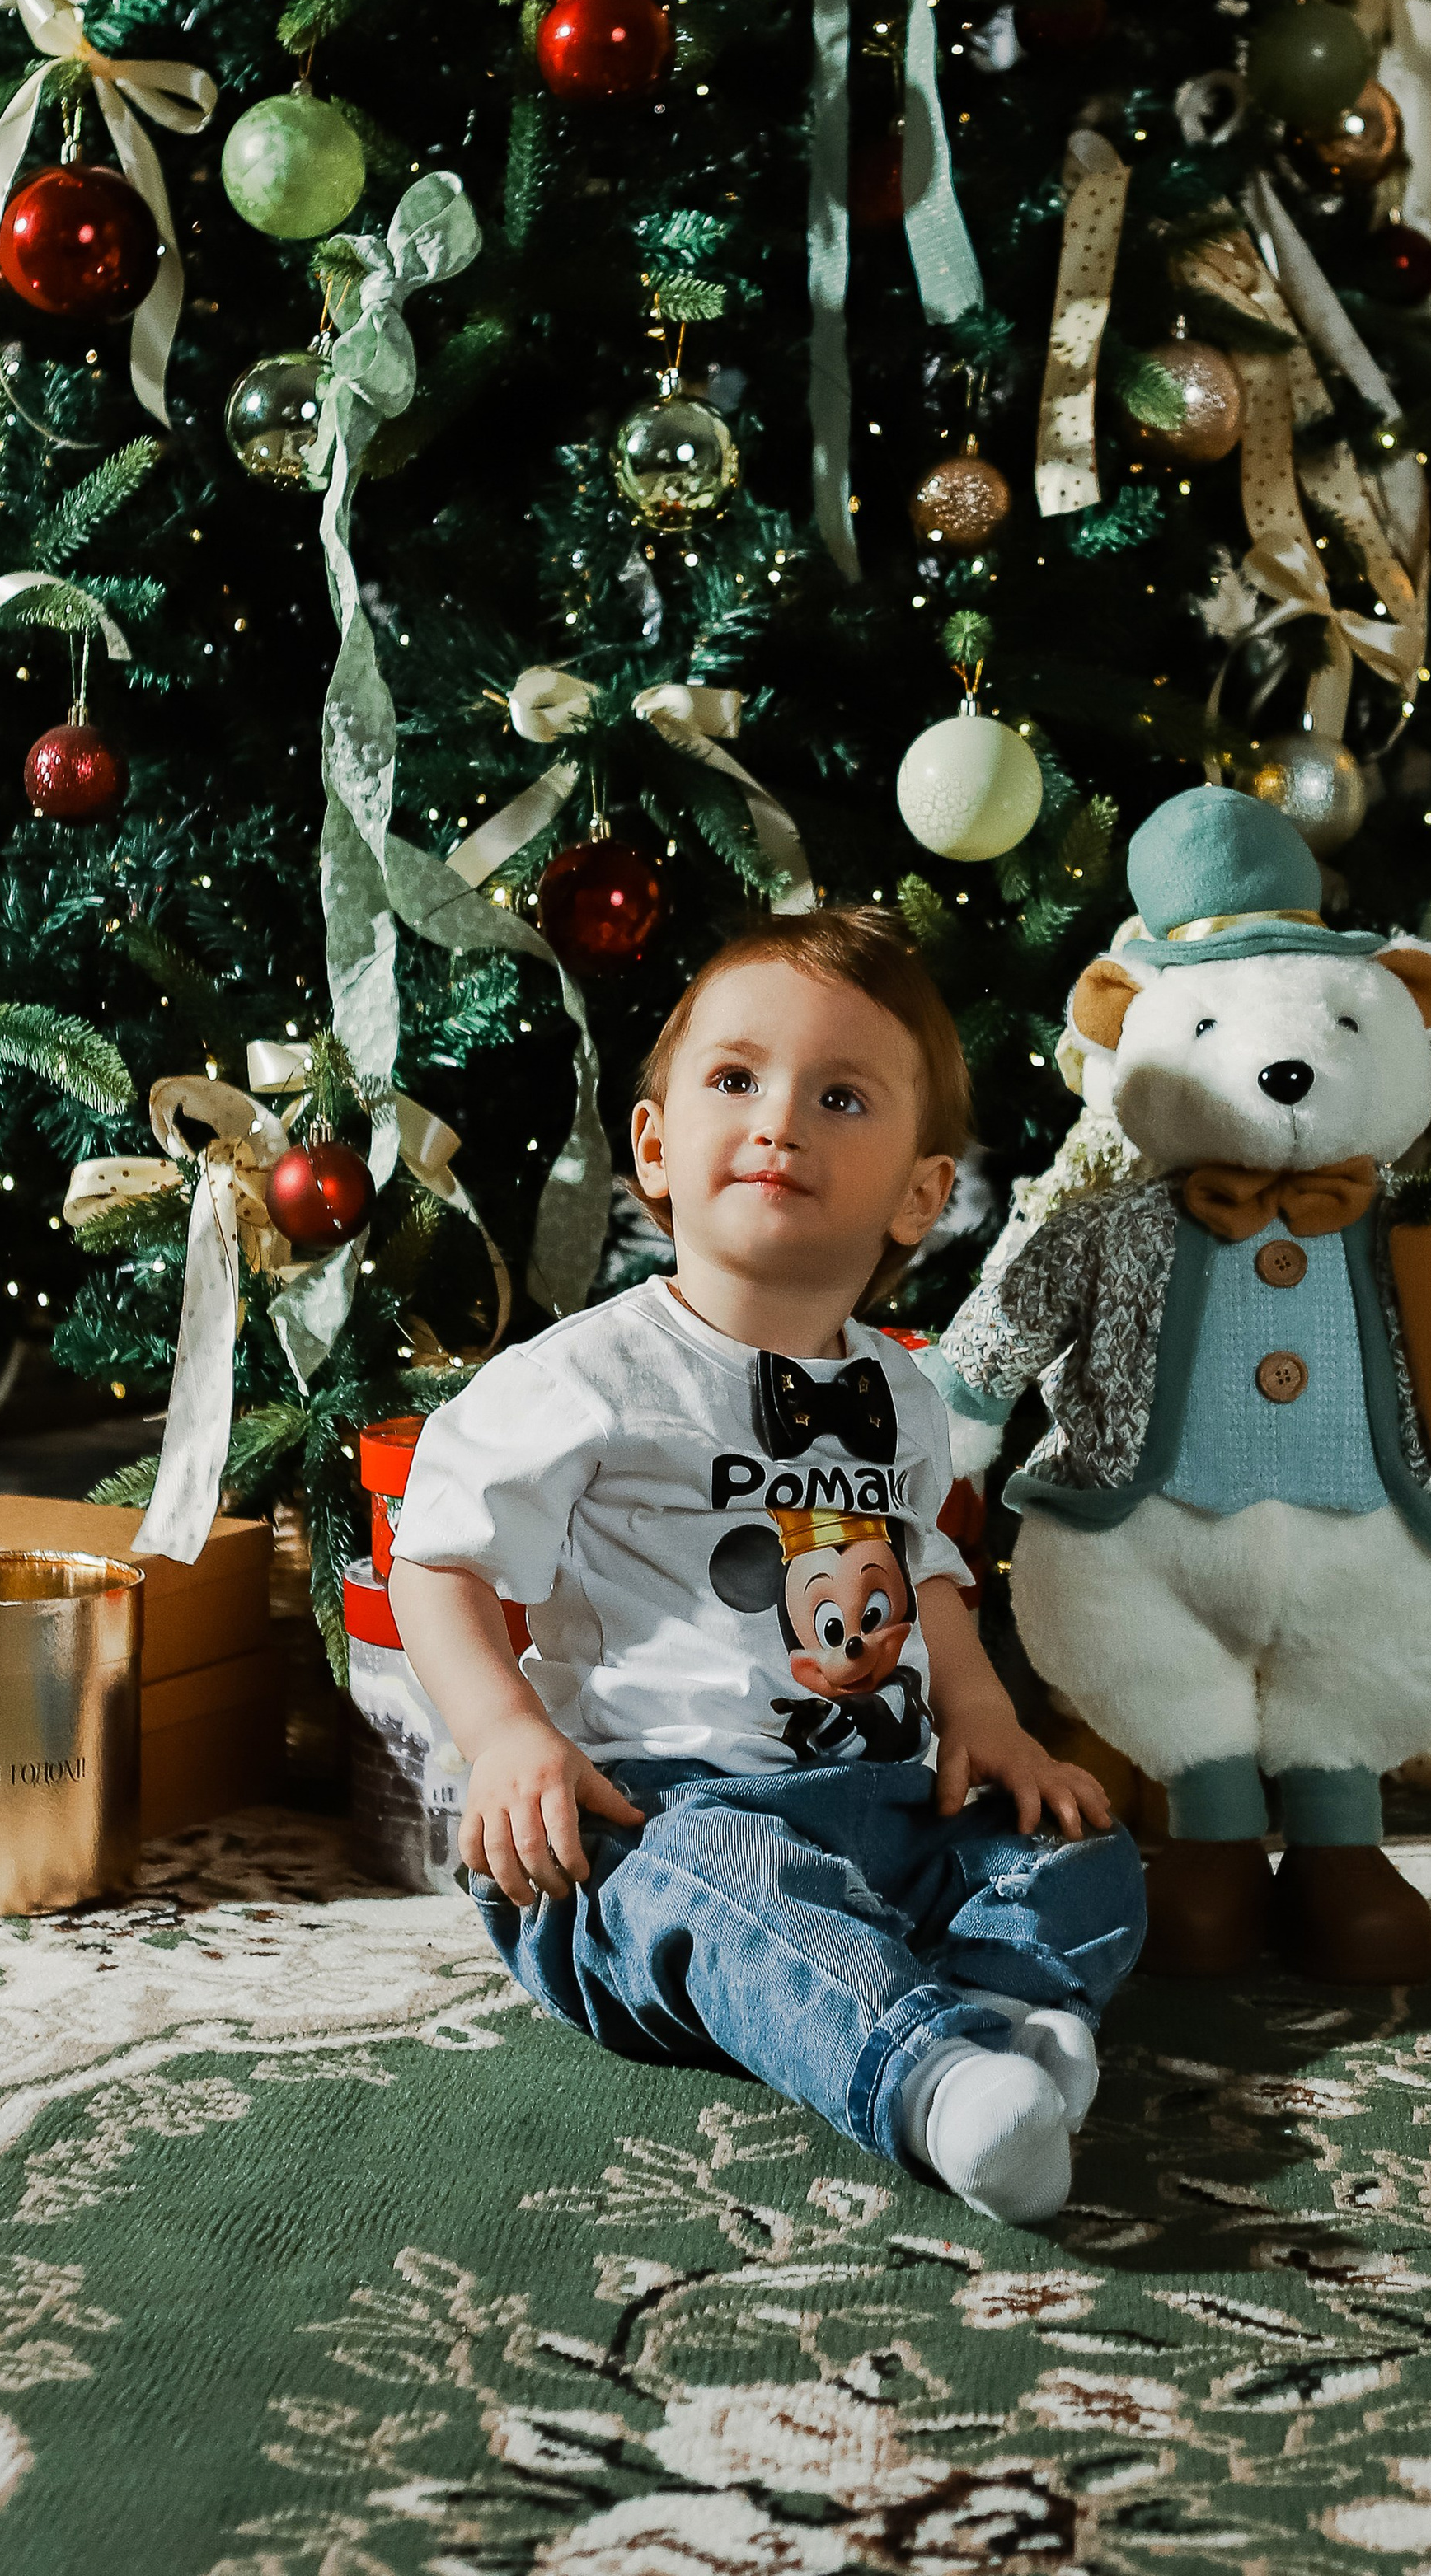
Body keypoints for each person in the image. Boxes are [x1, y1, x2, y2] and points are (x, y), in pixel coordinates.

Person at [391, 908, 1147, 2223]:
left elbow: (931, 1577)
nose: (779, 1117)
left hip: (886, 1804)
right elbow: (438, 1562)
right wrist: (506, 1738)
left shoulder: (900, 1390)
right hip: (646, 1822)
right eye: (735, 1080)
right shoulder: (587, 1376)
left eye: (839, 1095)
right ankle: (931, 2084)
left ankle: (1001, 2006)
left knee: (1081, 1849)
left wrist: (985, 1720)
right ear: (655, 1148)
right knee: (723, 1889)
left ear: (922, 1191)